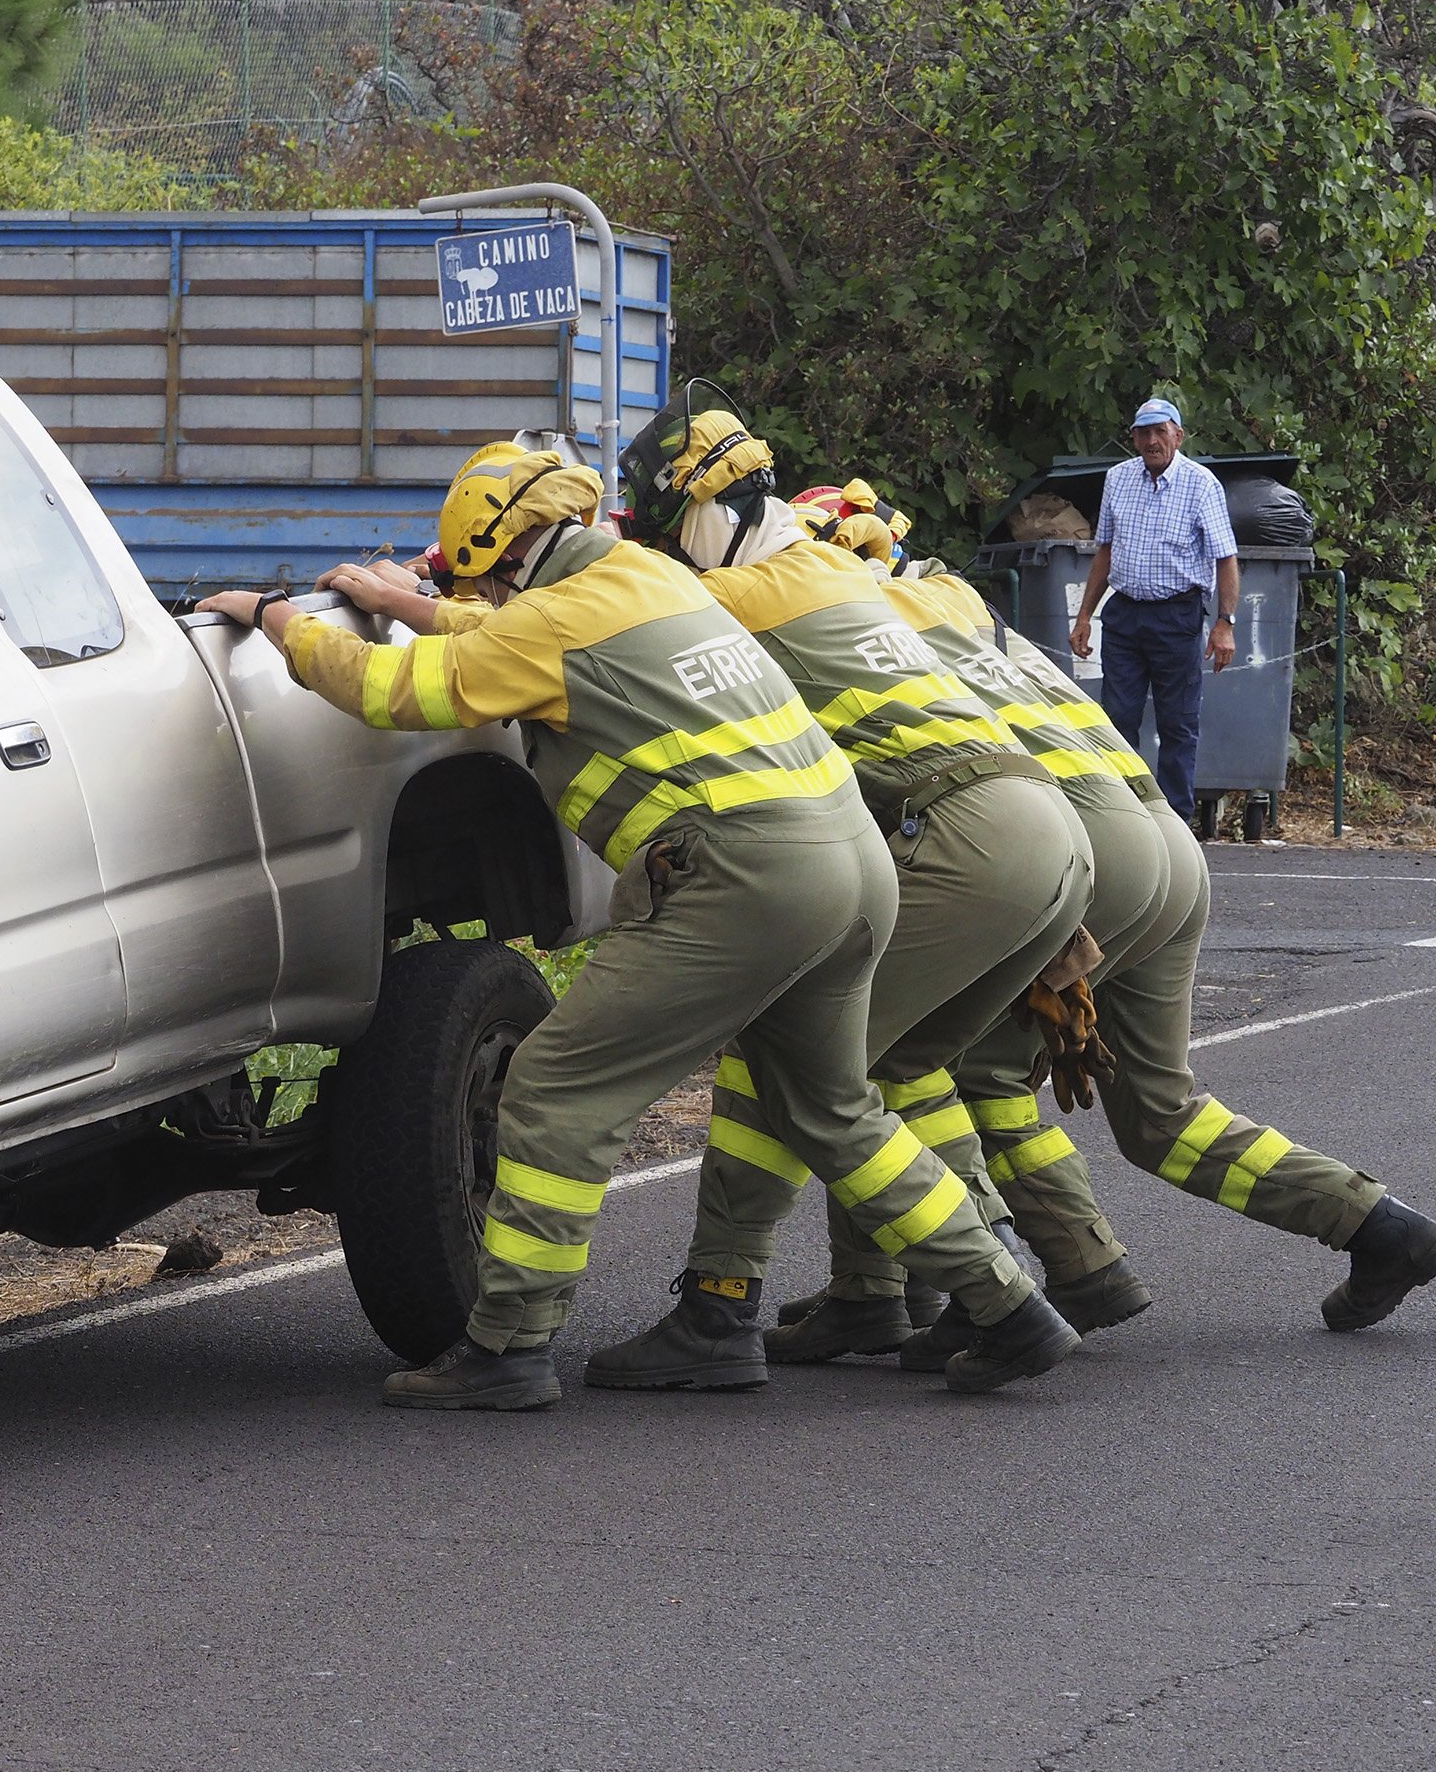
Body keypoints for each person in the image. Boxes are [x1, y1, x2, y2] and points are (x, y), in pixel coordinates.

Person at [198, 443, 1070, 1409]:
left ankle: (509, 1348)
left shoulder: (547, 625)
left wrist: (278, 620)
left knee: (555, 1089)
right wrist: (415, 606)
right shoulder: (641, 576)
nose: (471, 588)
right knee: (833, 1108)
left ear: (495, 545)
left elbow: (394, 692)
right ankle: (1008, 1303)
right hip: (853, 861)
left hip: (747, 878)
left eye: (470, 571)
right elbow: (514, 631)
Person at [588, 425, 1095, 1381]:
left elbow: (606, 609)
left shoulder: (731, 592)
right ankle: (923, 1291)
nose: (662, 547)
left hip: (967, 834)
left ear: (701, 511)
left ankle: (723, 1307)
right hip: (1043, 828)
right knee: (897, 1064)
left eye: (668, 525)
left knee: (790, 1065)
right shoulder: (830, 571)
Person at [860, 542, 1436, 1351]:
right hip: (1163, 841)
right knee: (1161, 1114)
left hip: (1084, 858)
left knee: (966, 1070)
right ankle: (1380, 1226)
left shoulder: (868, 638)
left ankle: (1050, 1276)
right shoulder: (979, 626)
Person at [1069, 398, 1239, 820]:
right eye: (1143, 433)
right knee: (1117, 717)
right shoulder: (1117, 479)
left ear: (1177, 436)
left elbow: (1226, 558)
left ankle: (1176, 820)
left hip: (1177, 615)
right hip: (1124, 613)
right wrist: (1084, 616)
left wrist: (1225, 622)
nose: (1151, 441)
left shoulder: (1201, 484)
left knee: (1177, 722)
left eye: (1159, 431)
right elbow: (1105, 551)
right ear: (1134, 438)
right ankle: (1125, 816)